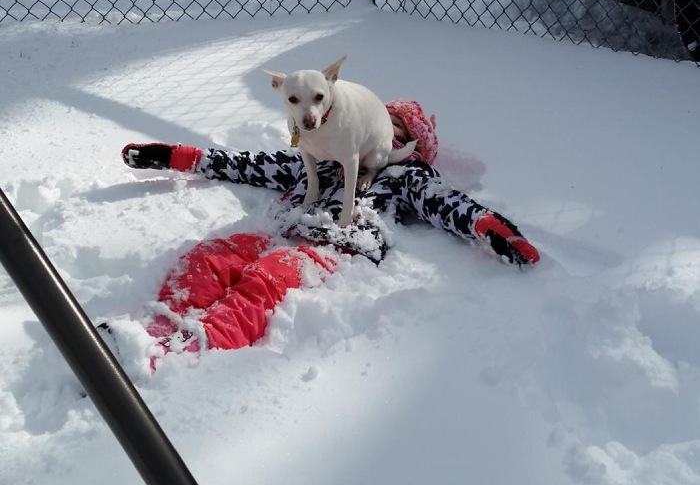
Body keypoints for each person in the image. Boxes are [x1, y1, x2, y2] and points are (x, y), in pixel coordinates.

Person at [100, 99, 539, 373]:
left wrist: (493, 230)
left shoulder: (408, 175)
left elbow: (448, 204)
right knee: (208, 256)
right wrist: (179, 157)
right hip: (278, 231)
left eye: (395, 128)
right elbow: (250, 164)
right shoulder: (324, 156)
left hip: (334, 247)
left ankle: (185, 350)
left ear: (410, 145)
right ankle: (153, 328)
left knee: (266, 280)